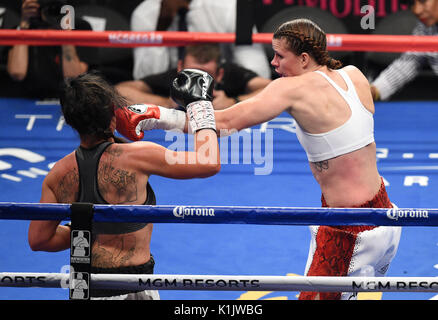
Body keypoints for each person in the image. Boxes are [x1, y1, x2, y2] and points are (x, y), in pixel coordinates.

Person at [119, 19, 402, 300]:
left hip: (348, 231)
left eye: (280, 56)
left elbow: (226, 121)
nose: (274, 64)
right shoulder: (354, 75)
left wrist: (161, 116)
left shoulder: (291, 89)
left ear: (304, 58)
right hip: (384, 213)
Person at [27, 71, 220, 300]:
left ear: (70, 121)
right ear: (113, 115)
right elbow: (208, 162)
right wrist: (200, 106)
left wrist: (89, 227)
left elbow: (39, 239)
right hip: (134, 288)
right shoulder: (141, 156)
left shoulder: (58, 174)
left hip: (85, 288)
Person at [130, 0, 271, 80]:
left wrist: (233, 99)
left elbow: (258, 74)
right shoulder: (144, 14)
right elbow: (145, 79)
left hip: (221, 89)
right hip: (167, 95)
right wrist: (161, 24)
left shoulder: (231, 7)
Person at [115, 44, 271, 110]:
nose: (197, 79)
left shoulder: (231, 74)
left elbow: (273, 87)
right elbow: (120, 91)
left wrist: (235, 102)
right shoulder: (174, 77)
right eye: (191, 73)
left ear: (219, 74)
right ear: (180, 68)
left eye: (206, 75)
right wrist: (166, 102)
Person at [6, 0, 96, 99]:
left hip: (69, 99)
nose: (51, 12)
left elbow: (73, 77)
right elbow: (17, 74)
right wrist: (24, 26)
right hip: (29, 98)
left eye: (56, 8)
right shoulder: (22, 30)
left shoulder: (80, 28)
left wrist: (66, 34)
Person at [370, 0, 438, 101]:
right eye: (412, 4)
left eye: (423, 1)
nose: (417, 10)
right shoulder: (426, 28)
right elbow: (408, 63)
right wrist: (373, 91)